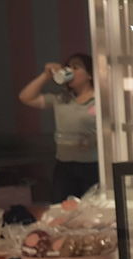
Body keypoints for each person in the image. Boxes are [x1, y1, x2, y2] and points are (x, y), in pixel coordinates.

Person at [18, 53, 99, 202]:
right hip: (64, 165)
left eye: (76, 67)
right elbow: (26, 97)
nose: (70, 71)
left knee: (92, 210)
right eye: (68, 68)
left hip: (92, 166)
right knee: (63, 211)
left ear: (89, 74)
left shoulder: (99, 100)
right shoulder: (61, 98)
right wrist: (45, 75)